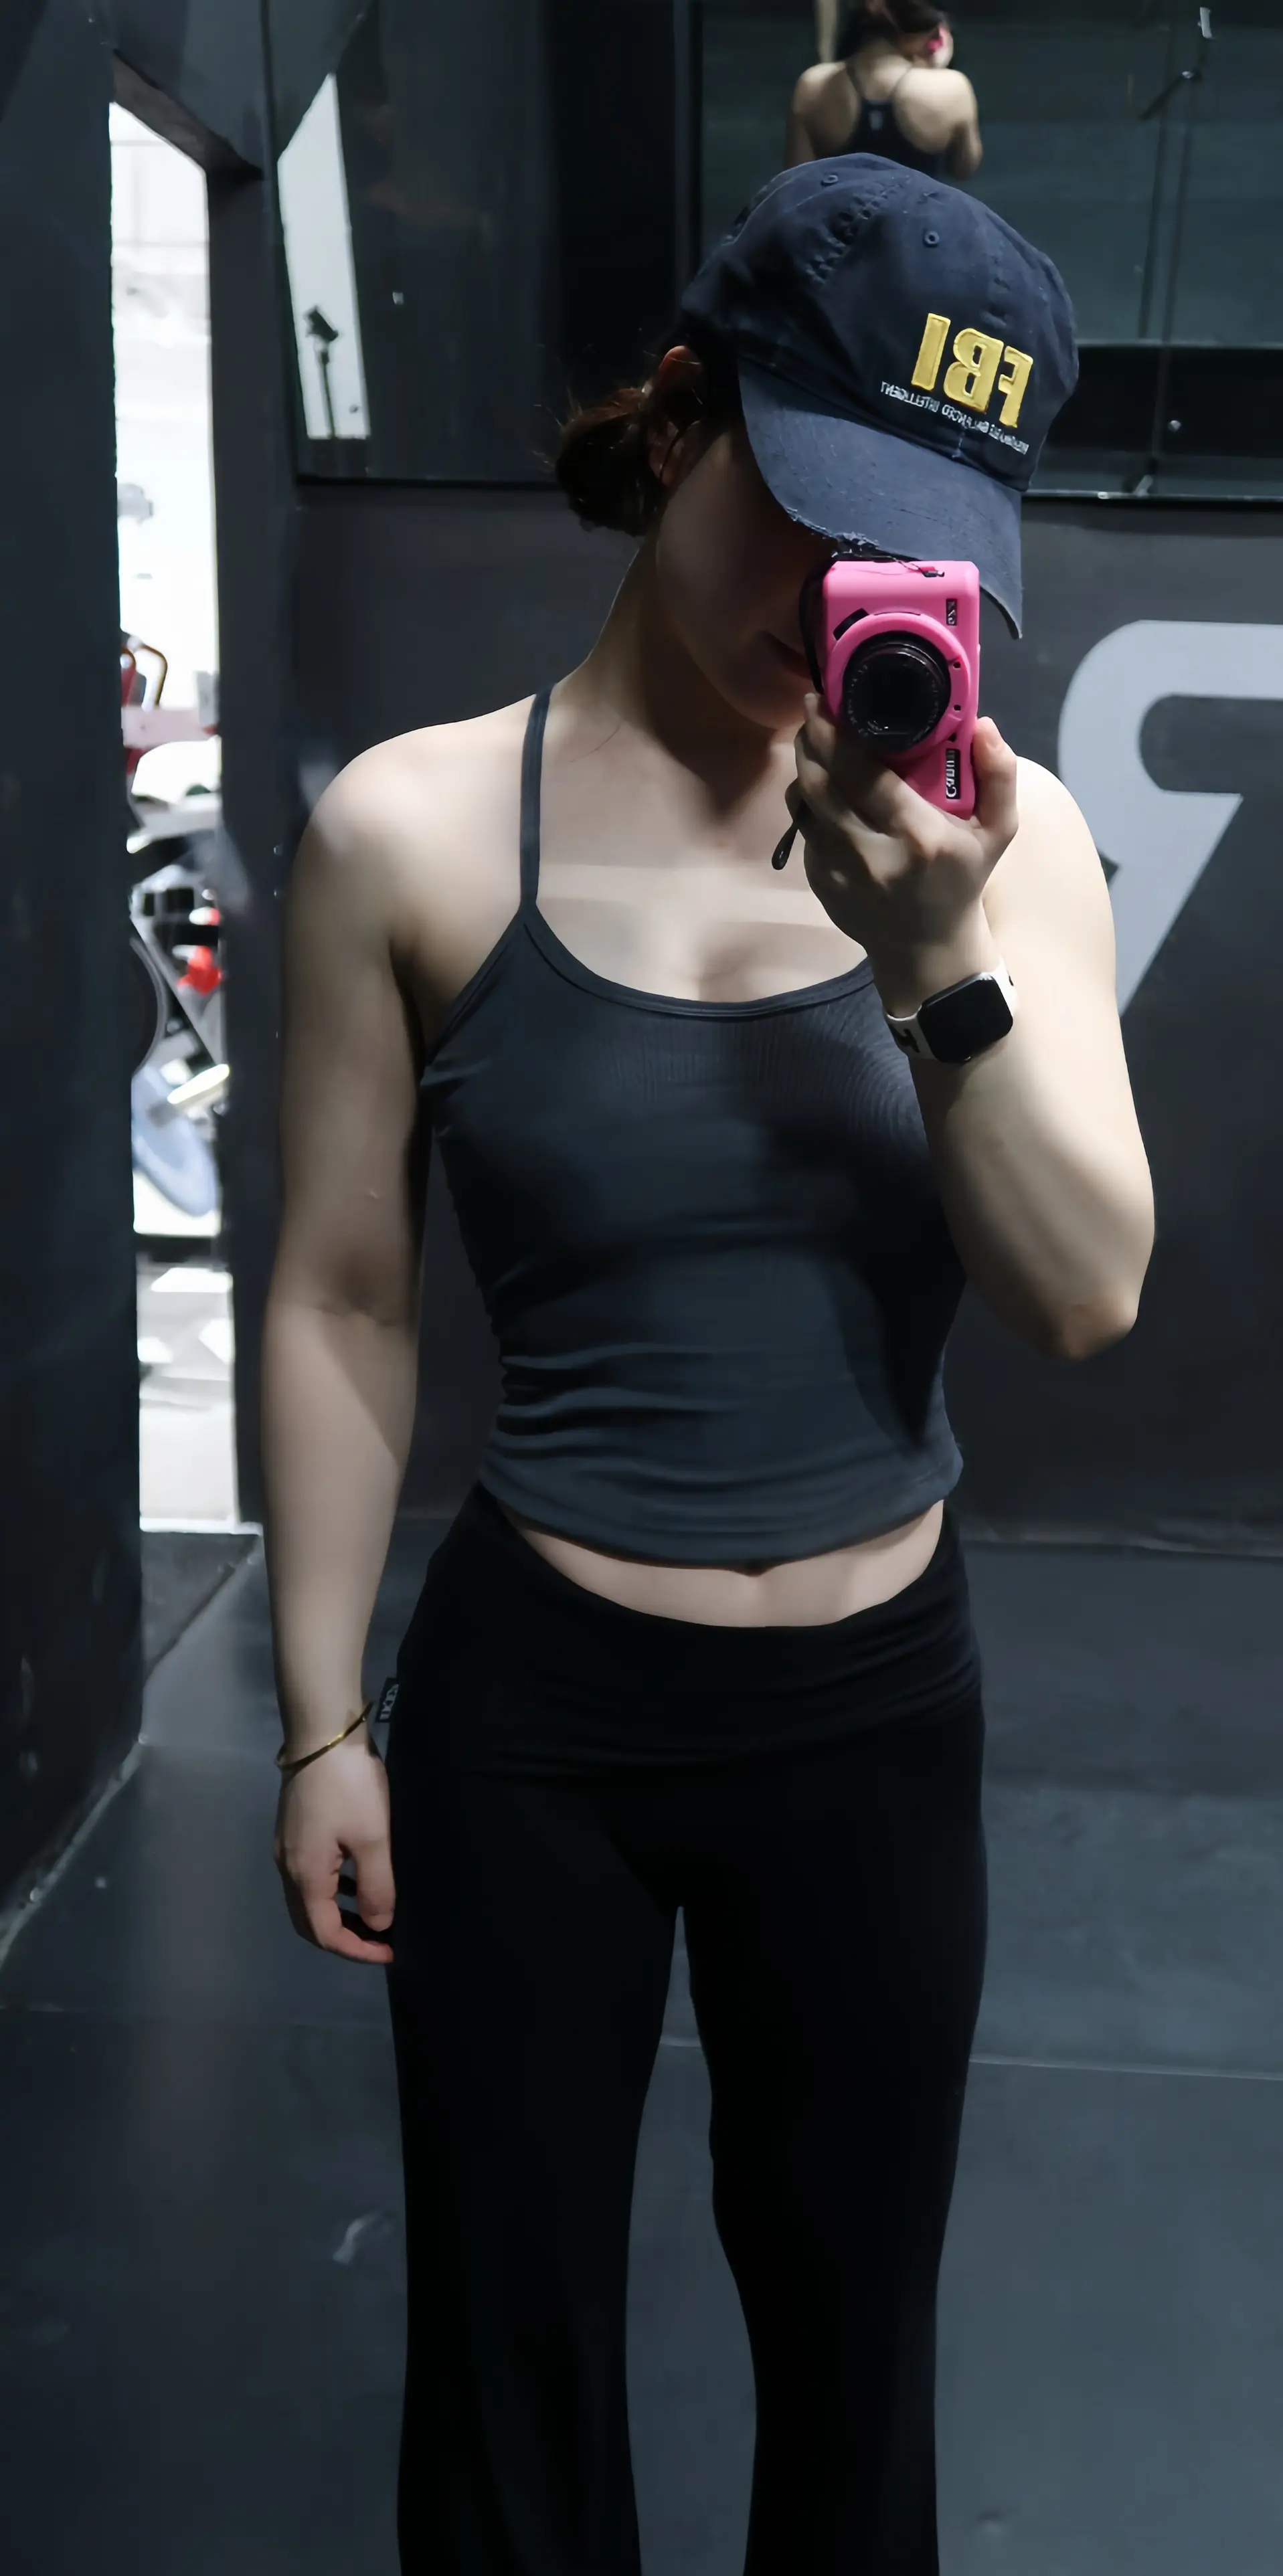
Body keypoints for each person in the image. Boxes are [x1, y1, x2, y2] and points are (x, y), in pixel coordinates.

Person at [264, 154, 1153, 2573]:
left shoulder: (1007, 847)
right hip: (537, 1717)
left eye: (922, 545)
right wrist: (325, 1720)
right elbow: (341, 1290)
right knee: (510, 2376)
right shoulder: (419, 831)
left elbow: (1085, 1289)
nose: (852, 594)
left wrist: (935, 969)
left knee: (858, 2375)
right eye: (818, 508)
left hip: (870, 1719)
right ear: (677, 421)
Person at [788, 1, 982, 184]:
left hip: (838, 209)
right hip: (917, 210)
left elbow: (795, 182)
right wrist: (938, 74)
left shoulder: (812, 85)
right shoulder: (953, 87)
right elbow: (963, 169)